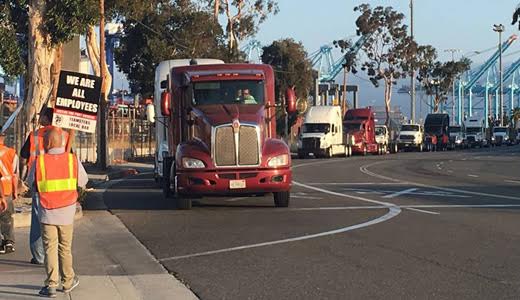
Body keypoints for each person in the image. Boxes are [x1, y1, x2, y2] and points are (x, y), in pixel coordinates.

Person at [26, 128, 87, 297]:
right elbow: (82, 181)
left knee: (50, 248)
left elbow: (31, 183)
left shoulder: (40, 162)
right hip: (67, 211)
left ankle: (51, 285)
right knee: (65, 248)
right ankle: (68, 281)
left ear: (48, 142)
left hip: (47, 211)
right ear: (60, 141)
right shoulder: (72, 160)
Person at [20, 107, 69, 265]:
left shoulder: (34, 136)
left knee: (38, 220)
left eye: (42, 115)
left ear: (48, 118)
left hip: (40, 183)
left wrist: (23, 178)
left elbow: (23, 157)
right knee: (61, 222)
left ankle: (39, 256)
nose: (39, 117)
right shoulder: (66, 135)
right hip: (62, 185)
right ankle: (59, 255)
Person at [0, 132, 18, 254]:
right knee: (6, 217)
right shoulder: (11, 152)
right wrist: (15, 190)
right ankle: (8, 241)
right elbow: (15, 174)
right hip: (7, 188)